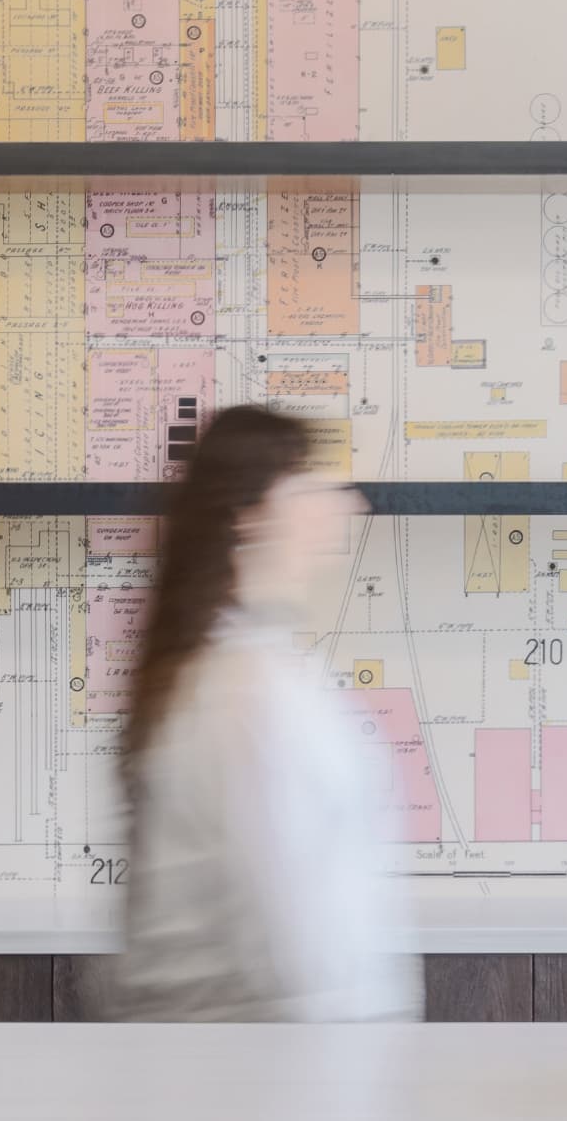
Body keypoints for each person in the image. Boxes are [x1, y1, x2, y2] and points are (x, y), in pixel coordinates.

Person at [99, 405, 421, 1022]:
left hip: (280, 1057)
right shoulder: (245, 693)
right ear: (251, 514)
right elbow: (289, 941)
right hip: (259, 1063)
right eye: (314, 483)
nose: (349, 503)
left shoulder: (264, 672)